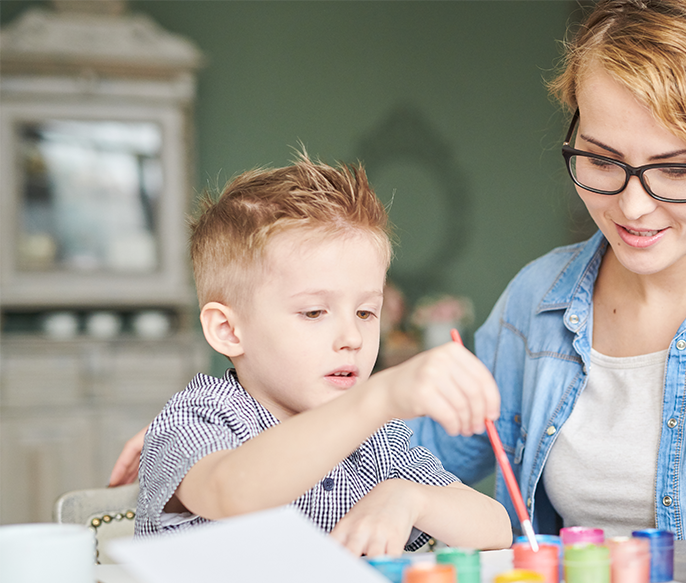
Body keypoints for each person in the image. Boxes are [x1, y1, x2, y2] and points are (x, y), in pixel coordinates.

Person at [116, 0, 686, 583]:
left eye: (674, 171)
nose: (629, 204)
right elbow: (393, 446)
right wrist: (238, 417)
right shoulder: (540, 299)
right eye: (601, 159)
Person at [134, 153, 511, 557]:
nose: (352, 337)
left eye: (366, 312)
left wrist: (407, 497)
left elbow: (496, 528)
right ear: (228, 331)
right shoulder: (195, 418)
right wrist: (380, 397)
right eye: (314, 312)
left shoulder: (377, 441)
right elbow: (232, 492)